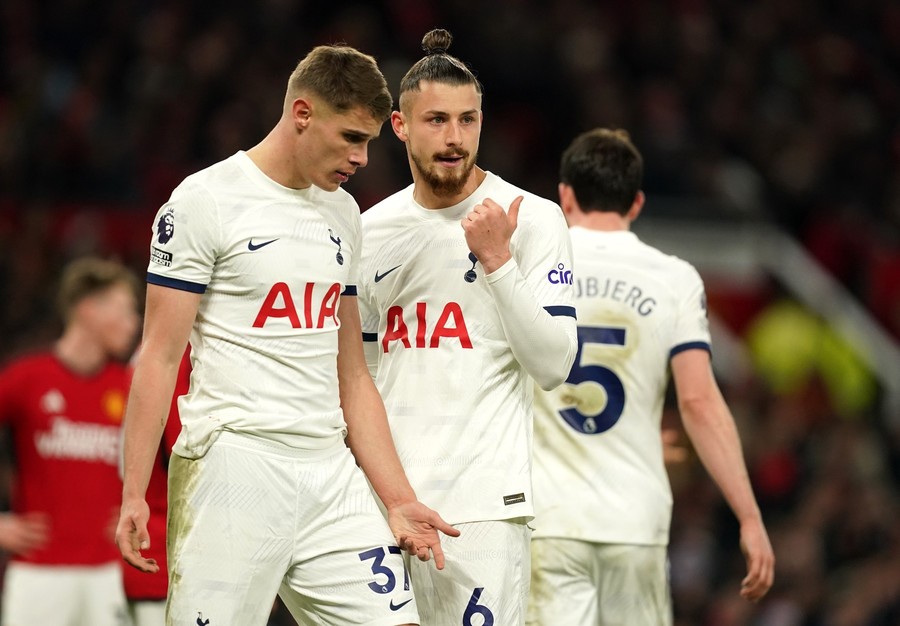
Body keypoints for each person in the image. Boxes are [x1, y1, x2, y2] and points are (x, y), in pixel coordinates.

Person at [115, 43, 457, 626]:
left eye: (370, 141)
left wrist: (397, 499)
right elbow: (159, 356)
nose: (364, 157)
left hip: (329, 470)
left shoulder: (344, 213)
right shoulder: (205, 201)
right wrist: (132, 492)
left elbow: (352, 373)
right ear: (303, 114)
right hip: (233, 464)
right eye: (352, 137)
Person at [358, 29, 578, 625]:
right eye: (435, 120)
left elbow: (556, 365)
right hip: (384, 503)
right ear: (400, 127)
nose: (454, 138)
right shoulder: (368, 231)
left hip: (483, 507)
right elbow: (363, 373)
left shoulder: (531, 219)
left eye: (468, 120)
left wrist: (498, 262)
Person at [527, 128, 775, 626]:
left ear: (565, 195)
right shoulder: (674, 277)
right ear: (636, 203)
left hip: (547, 518)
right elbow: (700, 403)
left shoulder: (527, 266)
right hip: (634, 517)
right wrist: (749, 516)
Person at [0, 256, 141, 626]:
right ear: (88, 310)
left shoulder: (129, 388)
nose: (134, 323)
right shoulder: (27, 378)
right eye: (125, 309)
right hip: (38, 573)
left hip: (110, 571)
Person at [121, 347, 188, 626]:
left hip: (147, 545)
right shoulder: (180, 353)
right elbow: (185, 451)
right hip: (170, 553)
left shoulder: (147, 353)